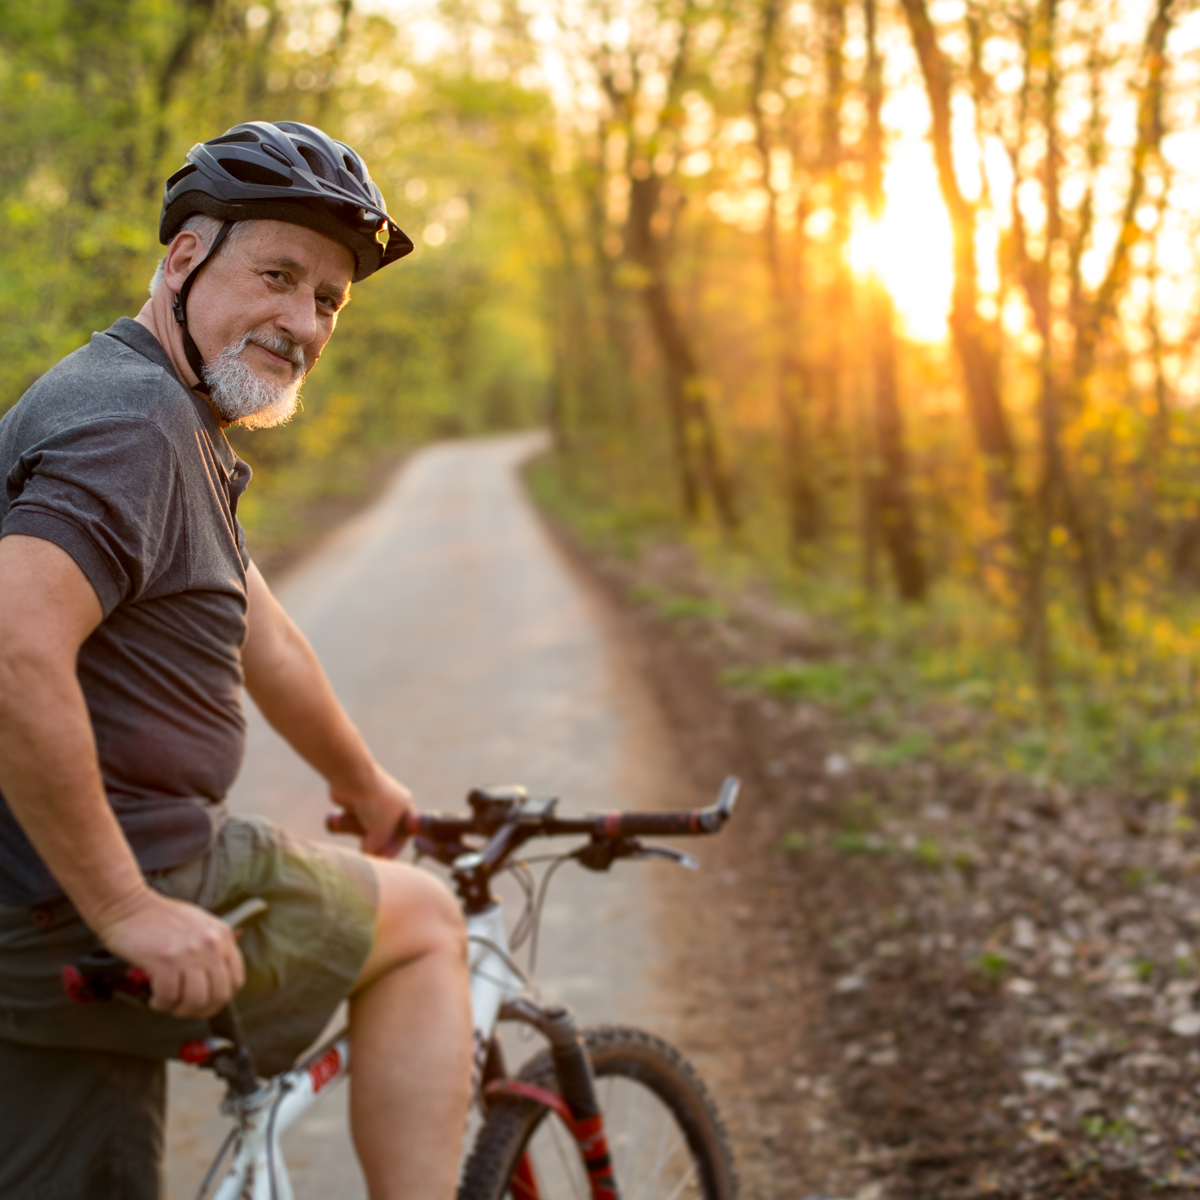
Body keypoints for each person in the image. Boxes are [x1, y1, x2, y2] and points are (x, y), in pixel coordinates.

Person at [0, 121, 473, 1200]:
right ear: (183, 258)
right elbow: (13, 653)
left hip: (25, 911)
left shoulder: (152, 413)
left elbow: (266, 634)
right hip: (93, 900)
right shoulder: (133, 427)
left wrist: (366, 786)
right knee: (425, 923)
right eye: (277, 275)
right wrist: (127, 905)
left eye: (327, 301)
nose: (302, 321)